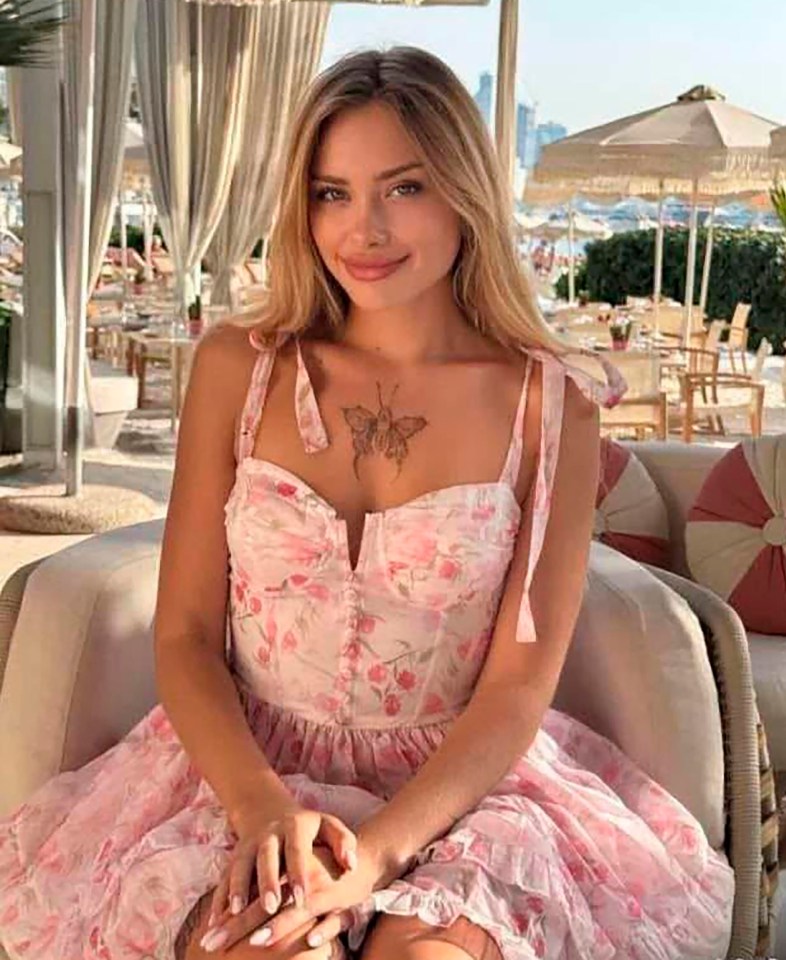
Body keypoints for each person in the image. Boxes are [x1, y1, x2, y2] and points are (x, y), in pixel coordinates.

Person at [0, 47, 734, 960]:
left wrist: (378, 855)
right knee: (269, 946)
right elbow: (186, 633)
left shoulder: (550, 405)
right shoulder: (240, 368)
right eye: (331, 192)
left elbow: (516, 686)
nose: (364, 229)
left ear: (464, 189)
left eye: (404, 188)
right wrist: (261, 806)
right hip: (243, 775)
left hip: (461, 792)